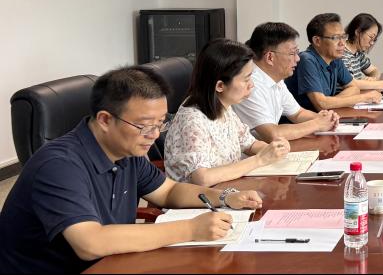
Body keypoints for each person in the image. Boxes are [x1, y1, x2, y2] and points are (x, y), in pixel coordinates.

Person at [0, 66, 262, 273]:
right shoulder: (58, 165)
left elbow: (168, 191)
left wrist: (226, 197)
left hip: (113, 263)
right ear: (105, 120)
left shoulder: (127, 150)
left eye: (160, 123)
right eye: (145, 126)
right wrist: (191, 229)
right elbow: (90, 243)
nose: (154, 135)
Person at [163, 39, 291, 186]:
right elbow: (202, 178)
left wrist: (274, 150)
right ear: (220, 86)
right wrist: (259, 160)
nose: (252, 85)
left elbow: (248, 144)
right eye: (246, 79)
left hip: (228, 190)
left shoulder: (223, 106)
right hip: (201, 198)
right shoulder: (192, 120)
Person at [234, 22, 340, 141]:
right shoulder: (250, 85)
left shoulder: (276, 79)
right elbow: (272, 134)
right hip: (253, 151)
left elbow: (298, 114)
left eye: (297, 52)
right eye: (292, 53)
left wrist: (325, 119)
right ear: (270, 57)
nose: (298, 58)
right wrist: (317, 124)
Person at [285, 13, 383, 111]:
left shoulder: (335, 59)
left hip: (325, 117)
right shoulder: (306, 60)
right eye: (335, 38)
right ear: (317, 41)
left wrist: (330, 102)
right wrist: (364, 98)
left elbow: (354, 88)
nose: (342, 43)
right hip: (302, 120)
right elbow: (321, 104)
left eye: (343, 37)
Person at [340, 13, 383, 89]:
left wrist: (373, 78)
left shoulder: (358, 53)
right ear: (358, 32)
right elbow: (351, 83)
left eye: (374, 39)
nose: (372, 43)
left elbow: (374, 70)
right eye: (371, 37)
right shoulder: (342, 54)